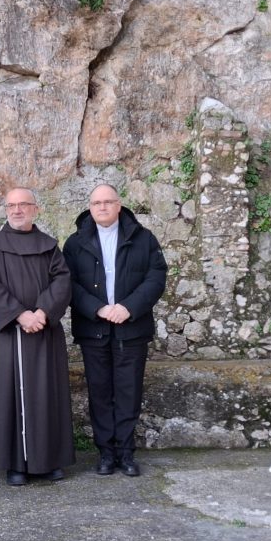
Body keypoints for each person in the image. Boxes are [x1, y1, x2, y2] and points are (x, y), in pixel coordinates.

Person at [63, 185, 167, 477]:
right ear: (90, 207)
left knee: (128, 391)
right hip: (93, 329)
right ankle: (106, 454)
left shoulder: (143, 238)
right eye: (97, 203)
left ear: (119, 205)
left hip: (130, 329)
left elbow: (156, 277)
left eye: (108, 202)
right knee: (99, 392)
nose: (103, 207)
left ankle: (126, 453)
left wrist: (128, 307)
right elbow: (68, 283)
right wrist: (97, 308)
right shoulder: (75, 242)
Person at [0, 188, 75, 486]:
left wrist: (43, 313)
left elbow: (62, 280)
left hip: (44, 332)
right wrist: (20, 314)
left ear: (36, 209)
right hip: (11, 334)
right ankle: (16, 464)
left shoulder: (49, 246)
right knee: (12, 395)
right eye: (11, 205)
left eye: (23, 205)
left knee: (47, 394)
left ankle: (49, 461)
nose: (17, 210)